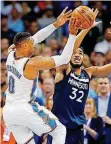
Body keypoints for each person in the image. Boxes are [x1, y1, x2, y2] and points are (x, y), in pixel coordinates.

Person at [3, 7, 80, 144]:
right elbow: (63, 59)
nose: (35, 46)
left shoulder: (10, 53)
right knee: (59, 131)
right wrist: (72, 35)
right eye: (32, 44)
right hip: (24, 108)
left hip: (8, 112)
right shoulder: (32, 63)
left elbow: (36, 37)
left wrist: (56, 24)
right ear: (25, 46)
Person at [47, 11, 111, 144]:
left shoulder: (88, 73)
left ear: (84, 58)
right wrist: (87, 27)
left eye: (80, 53)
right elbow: (71, 48)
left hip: (77, 129)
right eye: (74, 53)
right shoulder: (63, 70)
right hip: (59, 127)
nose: (77, 55)